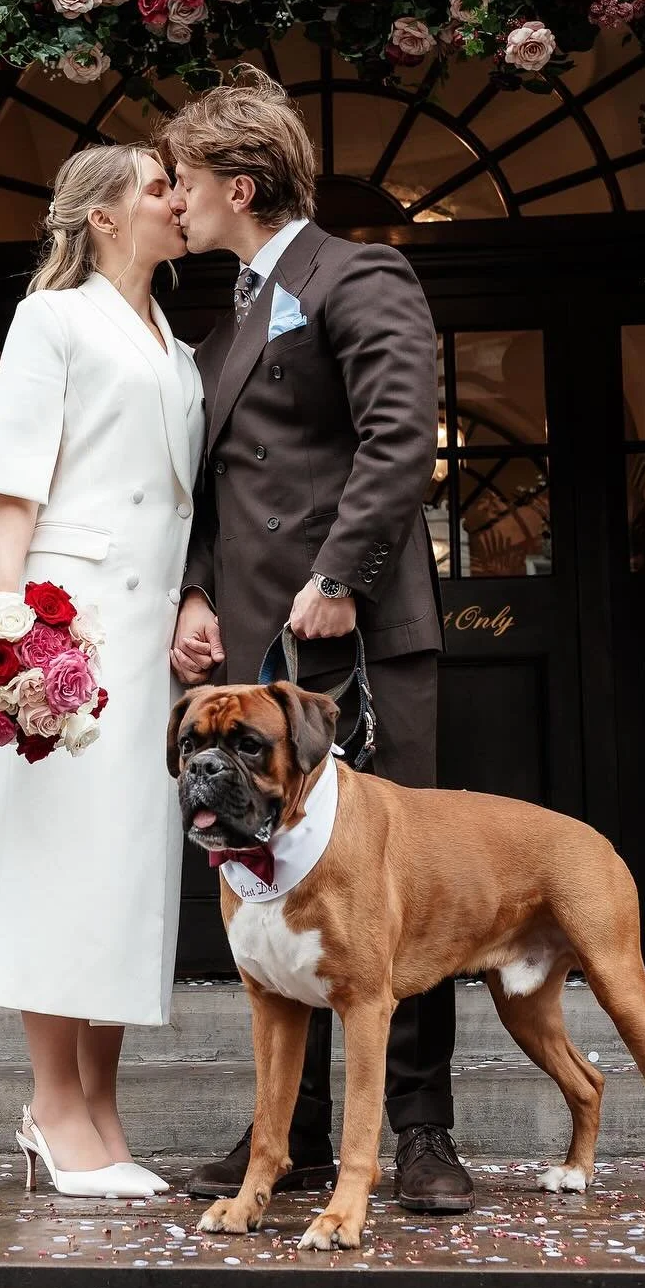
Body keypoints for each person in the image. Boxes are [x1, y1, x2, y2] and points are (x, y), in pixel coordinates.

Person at [164, 68, 473, 1216]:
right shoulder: (236, 307)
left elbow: (401, 437)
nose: (174, 199)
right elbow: (205, 485)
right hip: (254, 650)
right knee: (263, 880)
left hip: (357, 635)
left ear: (240, 185)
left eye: (186, 181)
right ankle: (280, 1139)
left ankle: (426, 1131)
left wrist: (341, 573)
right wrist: (194, 596)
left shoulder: (357, 271)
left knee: (400, 888)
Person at [0, 143, 204, 1199]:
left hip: (147, 639)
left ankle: (103, 1107)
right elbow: (16, 485)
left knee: (127, 872)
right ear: (105, 216)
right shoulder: (51, 320)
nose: (176, 200)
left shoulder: (180, 345)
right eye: (158, 187)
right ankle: (51, 1107)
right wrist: (9, 633)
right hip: (68, 626)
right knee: (59, 863)